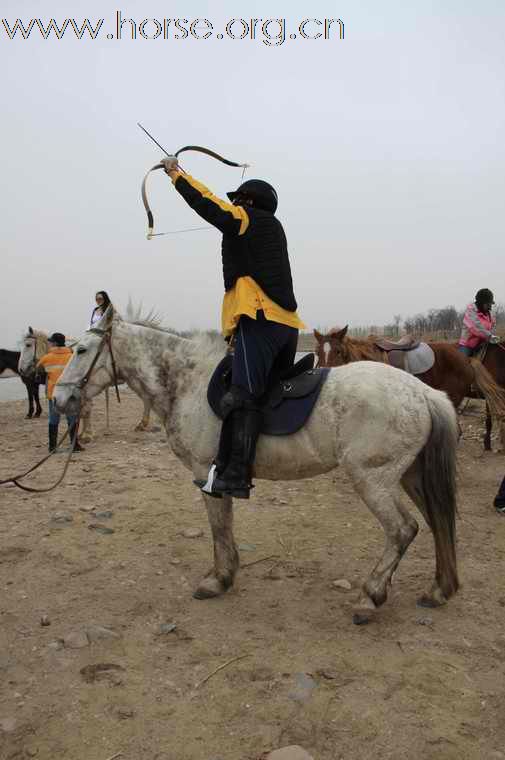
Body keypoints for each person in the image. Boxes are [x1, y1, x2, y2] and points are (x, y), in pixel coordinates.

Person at [159, 156, 305, 498]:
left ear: (248, 202)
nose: (233, 203)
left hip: (260, 320)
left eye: (238, 199)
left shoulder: (246, 218)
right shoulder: (273, 228)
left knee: (242, 398)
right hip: (285, 325)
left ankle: (235, 474)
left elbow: (209, 204)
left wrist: (176, 175)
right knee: (265, 394)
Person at [37, 333, 84, 453]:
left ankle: (52, 447)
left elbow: (38, 372)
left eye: (51, 342)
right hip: (70, 394)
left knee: (53, 420)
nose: (50, 343)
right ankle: (75, 445)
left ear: (55, 343)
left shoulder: (47, 357)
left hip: (54, 394)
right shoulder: (72, 356)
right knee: (72, 419)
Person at [458, 288, 500, 356]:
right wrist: (489, 336)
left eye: (490, 304)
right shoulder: (471, 311)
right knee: (461, 362)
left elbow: (493, 326)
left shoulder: (490, 313)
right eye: (488, 304)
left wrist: (493, 336)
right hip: (468, 345)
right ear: (481, 303)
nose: (490, 306)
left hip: (484, 343)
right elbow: (476, 327)